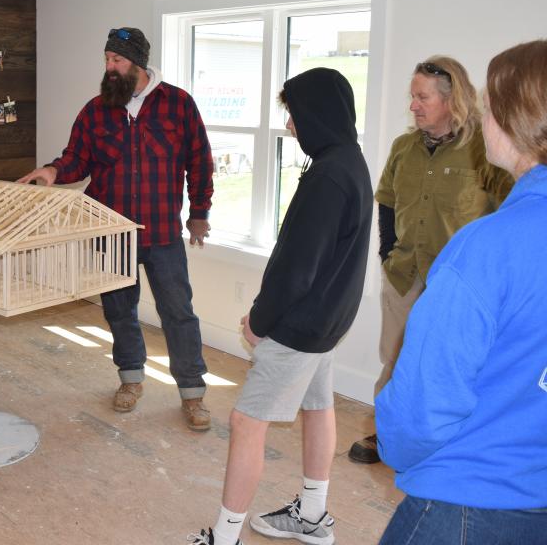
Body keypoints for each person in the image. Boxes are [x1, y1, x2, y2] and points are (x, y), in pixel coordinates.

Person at [189, 68, 372, 545]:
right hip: (328, 322)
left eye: (292, 114)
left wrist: (260, 321)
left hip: (299, 326)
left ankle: (224, 538)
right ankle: (312, 514)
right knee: (319, 407)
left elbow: (298, 269)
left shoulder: (330, 175)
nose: (290, 125)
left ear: (315, 112)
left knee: (246, 422)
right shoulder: (348, 160)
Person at [376, 40, 547, 543]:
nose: (484, 115)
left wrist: (402, 450)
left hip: (468, 501)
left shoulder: (487, 247)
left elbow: (421, 405)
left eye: (492, 104)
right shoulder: (406, 149)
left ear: (521, 120)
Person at [17, 27, 215, 430]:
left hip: (161, 233)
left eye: (117, 60)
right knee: (120, 312)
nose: (109, 67)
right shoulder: (96, 110)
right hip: (112, 232)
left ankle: (192, 393)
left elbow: (200, 161)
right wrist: (53, 171)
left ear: (138, 64)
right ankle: (130, 380)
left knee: (178, 313)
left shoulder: (179, 105)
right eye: (107, 59)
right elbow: (78, 159)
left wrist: (199, 211)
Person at [349, 57, 513, 464]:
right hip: (404, 274)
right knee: (395, 361)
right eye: (413, 96)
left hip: (458, 283)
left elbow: (506, 213)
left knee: (453, 366)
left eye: (422, 97)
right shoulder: (404, 147)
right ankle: (384, 435)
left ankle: (450, 445)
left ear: (451, 98)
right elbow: (385, 199)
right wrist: (388, 252)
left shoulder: (484, 149)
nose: (413, 106)